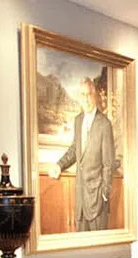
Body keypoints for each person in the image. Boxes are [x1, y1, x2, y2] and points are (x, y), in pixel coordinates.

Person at [51, 78, 115, 231]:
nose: (86, 98)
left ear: (95, 95)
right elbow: (75, 149)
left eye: (89, 94)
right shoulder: (78, 121)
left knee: (99, 248)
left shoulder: (104, 124)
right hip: (80, 199)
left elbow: (108, 163)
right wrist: (59, 165)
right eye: (82, 95)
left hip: (97, 200)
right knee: (81, 247)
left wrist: (104, 193)